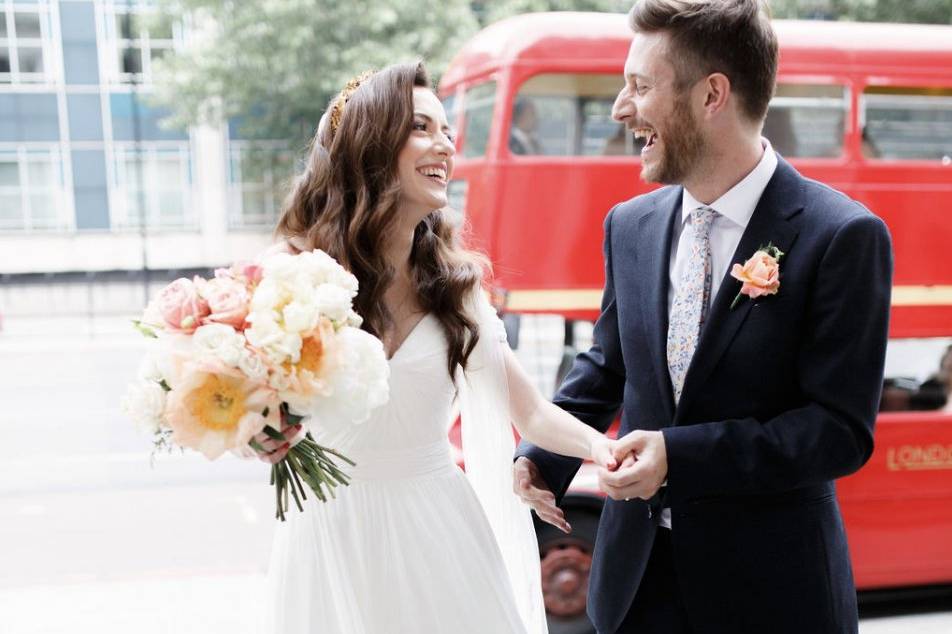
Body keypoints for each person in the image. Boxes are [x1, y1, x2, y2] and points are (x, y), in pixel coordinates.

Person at [513, 2, 893, 633]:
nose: (619, 108)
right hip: (634, 591)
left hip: (773, 599)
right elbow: (608, 366)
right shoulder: (629, 226)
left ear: (712, 93)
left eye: (639, 86)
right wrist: (540, 456)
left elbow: (838, 431)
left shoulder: (842, 235)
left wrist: (677, 456)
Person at [251, 62, 618, 634]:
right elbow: (257, 408)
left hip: (438, 532)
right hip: (329, 534)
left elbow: (534, 414)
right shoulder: (292, 276)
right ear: (373, 144)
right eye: (423, 127)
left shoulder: (457, 286)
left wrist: (607, 452)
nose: (445, 145)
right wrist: (260, 432)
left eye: (447, 131)